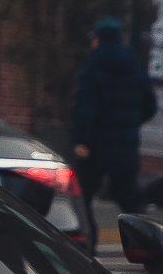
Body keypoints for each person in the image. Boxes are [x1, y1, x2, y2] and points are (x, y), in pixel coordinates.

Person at [67, 15, 157, 250]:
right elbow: (150, 105)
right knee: (128, 198)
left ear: (97, 39)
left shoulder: (93, 67)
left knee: (83, 197)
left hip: (96, 146)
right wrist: (130, 122)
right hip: (125, 147)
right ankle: (147, 242)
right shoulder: (133, 66)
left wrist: (80, 140)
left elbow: (85, 106)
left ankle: (88, 243)